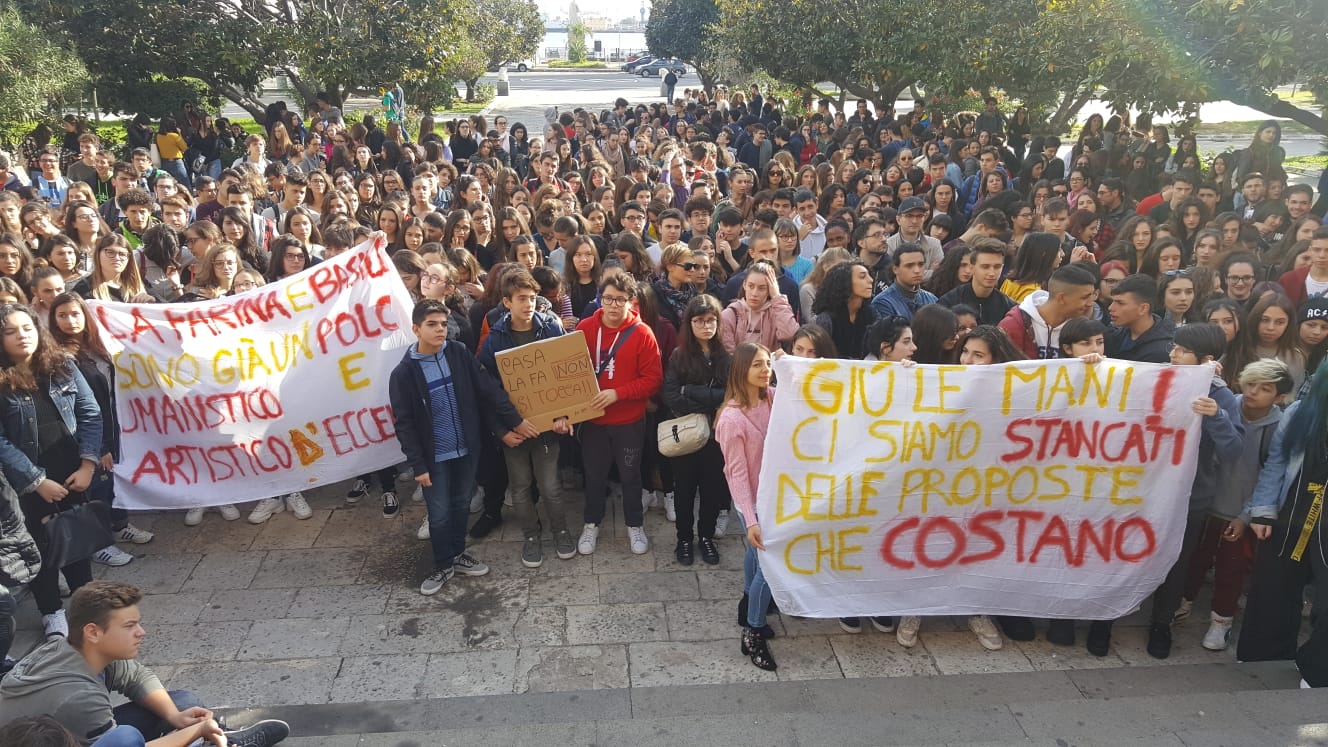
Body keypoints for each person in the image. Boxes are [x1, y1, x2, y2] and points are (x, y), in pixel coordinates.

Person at [1088, 323, 1243, 659]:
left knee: (1176, 562)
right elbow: (1113, 390)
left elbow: (1234, 451)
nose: (1173, 354)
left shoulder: (1220, 396)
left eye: (1182, 351)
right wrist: (1094, 367)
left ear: (1206, 359)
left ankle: (1161, 624)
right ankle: (1105, 619)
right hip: (1137, 490)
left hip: (1188, 499)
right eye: (1174, 346)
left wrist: (1216, 417)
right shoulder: (1152, 378)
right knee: (1119, 552)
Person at [0, 581, 290, 746]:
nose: (141, 632)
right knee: (129, 736)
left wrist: (177, 719)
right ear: (93, 632)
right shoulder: (78, 698)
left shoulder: (74, 648)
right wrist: (194, 731)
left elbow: (135, 676)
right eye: (129, 626)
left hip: (71, 733)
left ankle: (214, 738)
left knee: (182, 703)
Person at [389, 298, 537, 595]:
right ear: (416, 329)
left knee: (460, 505)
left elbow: (489, 390)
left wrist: (516, 421)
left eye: (444, 324)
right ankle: (443, 564)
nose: (440, 330)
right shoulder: (403, 374)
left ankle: (457, 554)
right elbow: (404, 424)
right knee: (439, 512)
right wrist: (418, 464)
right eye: (432, 324)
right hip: (434, 458)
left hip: (466, 450)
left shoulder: (458, 353)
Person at [1178, 358, 1293, 652]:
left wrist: (1246, 515)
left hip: (1241, 510)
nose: (1254, 392)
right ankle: (1183, 601)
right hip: (1206, 503)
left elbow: (1272, 476)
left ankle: (1221, 621)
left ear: (1279, 397)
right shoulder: (1225, 405)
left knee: (1232, 569)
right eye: (1251, 383)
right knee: (1194, 559)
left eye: (1265, 388)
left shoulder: (1279, 426)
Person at [0, 304, 101, 638]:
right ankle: (51, 611)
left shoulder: (62, 365)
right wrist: (36, 481)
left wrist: (87, 464)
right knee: (38, 547)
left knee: (75, 539)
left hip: (71, 471)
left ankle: (85, 606)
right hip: (23, 482)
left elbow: (90, 412)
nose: (21, 336)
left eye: (27, 328)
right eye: (10, 331)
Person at [1238, 355, 1328, 687]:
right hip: (1292, 510)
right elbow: (1276, 462)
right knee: (1274, 585)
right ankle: (1264, 654)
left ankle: (1318, 667)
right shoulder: (1300, 413)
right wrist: (1262, 510)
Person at [477, 270, 576, 568]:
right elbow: (487, 392)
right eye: (521, 299)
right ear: (507, 302)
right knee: (520, 488)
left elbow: (567, 375)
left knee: (551, 487)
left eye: (532, 298)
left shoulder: (551, 328)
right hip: (514, 432)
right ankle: (531, 536)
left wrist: (565, 416)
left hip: (548, 429)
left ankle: (561, 531)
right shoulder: (495, 339)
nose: (528, 304)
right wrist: (502, 431)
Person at [574, 274, 663, 556]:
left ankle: (634, 524)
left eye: (620, 300)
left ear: (630, 301)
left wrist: (618, 393)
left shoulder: (642, 333)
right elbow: (570, 372)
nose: (614, 305)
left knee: (630, 475)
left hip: (629, 421)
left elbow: (653, 380)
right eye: (608, 299)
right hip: (594, 420)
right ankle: (591, 523)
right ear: (600, 299)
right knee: (594, 476)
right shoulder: (585, 328)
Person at [715, 342, 777, 671]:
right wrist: (751, 520)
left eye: (767, 363)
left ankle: (748, 603)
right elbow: (736, 475)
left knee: (756, 556)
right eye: (757, 365)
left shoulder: (774, 399)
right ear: (741, 370)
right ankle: (753, 630)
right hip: (751, 502)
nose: (765, 370)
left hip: (777, 496)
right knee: (769, 566)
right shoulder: (731, 419)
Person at [662, 295, 731, 566]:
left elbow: (730, 395)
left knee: (712, 488)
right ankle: (683, 539)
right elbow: (671, 396)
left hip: (715, 434)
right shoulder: (679, 356)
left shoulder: (725, 357)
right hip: (686, 433)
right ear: (689, 323)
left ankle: (706, 537)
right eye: (699, 321)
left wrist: (691, 390)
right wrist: (709, 400)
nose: (706, 326)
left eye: (711, 320)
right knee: (684, 488)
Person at [998, 263, 1098, 359]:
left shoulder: (1081, 327)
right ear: (1061, 298)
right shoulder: (1012, 326)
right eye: (1085, 297)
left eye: (1092, 296)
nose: (1090, 303)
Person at [720, 259, 799, 353]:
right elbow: (727, 354)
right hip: (739, 362)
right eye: (751, 286)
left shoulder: (776, 312)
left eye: (762, 288)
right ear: (744, 285)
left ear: (770, 290)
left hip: (768, 362)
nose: (754, 293)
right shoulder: (730, 314)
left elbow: (790, 334)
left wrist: (776, 295)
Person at [938, 238, 1015, 324]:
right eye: (985, 267)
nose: (992, 273)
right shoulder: (948, 302)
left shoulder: (1009, 307)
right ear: (972, 267)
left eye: (997, 267)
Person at [1105, 274, 1176, 363]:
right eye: (1112, 301)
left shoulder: (1162, 350)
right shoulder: (1115, 335)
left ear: (1143, 308)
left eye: (1120, 303)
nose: (1111, 308)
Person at [870, 243, 937, 320]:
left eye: (921, 264)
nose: (917, 270)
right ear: (895, 269)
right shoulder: (883, 302)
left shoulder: (931, 299)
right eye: (909, 266)